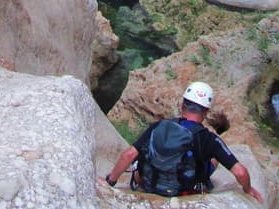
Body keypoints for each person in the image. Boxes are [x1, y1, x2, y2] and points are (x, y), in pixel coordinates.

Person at [102, 81, 264, 202]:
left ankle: (145, 181)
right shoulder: (209, 139)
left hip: (150, 184)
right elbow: (240, 172)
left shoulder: (159, 126)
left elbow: (129, 154)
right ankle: (200, 185)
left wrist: (110, 181)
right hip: (182, 190)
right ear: (206, 112)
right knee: (214, 158)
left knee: (141, 158)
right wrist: (248, 189)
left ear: (182, 105)